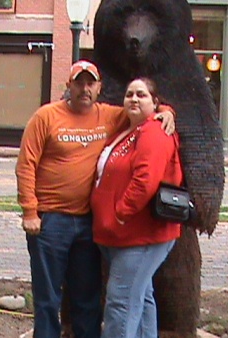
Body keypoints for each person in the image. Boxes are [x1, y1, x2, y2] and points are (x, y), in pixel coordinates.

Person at [15, 61, 175, 338]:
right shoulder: (46, 117)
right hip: (50, 221)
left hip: (87, 224)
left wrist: (166, 111)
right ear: (69, 86)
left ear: (99, 88)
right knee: (47, 298)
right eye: (79, 82)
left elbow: (143, 111)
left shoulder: (111, 116)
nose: (85, 89)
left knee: (87, 298)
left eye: (91, 83)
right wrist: (30, 210)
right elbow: (25, 164)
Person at [90, 77, 183, 338]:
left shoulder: (153, 132)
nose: (133, 98)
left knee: (120, 303)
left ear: (155, 102)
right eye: (129, 93)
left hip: (140, 236)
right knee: (139, 297)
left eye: (141, 95)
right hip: (122, 236)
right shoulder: (129, 130)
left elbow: (145, 180)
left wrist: (120, 213)